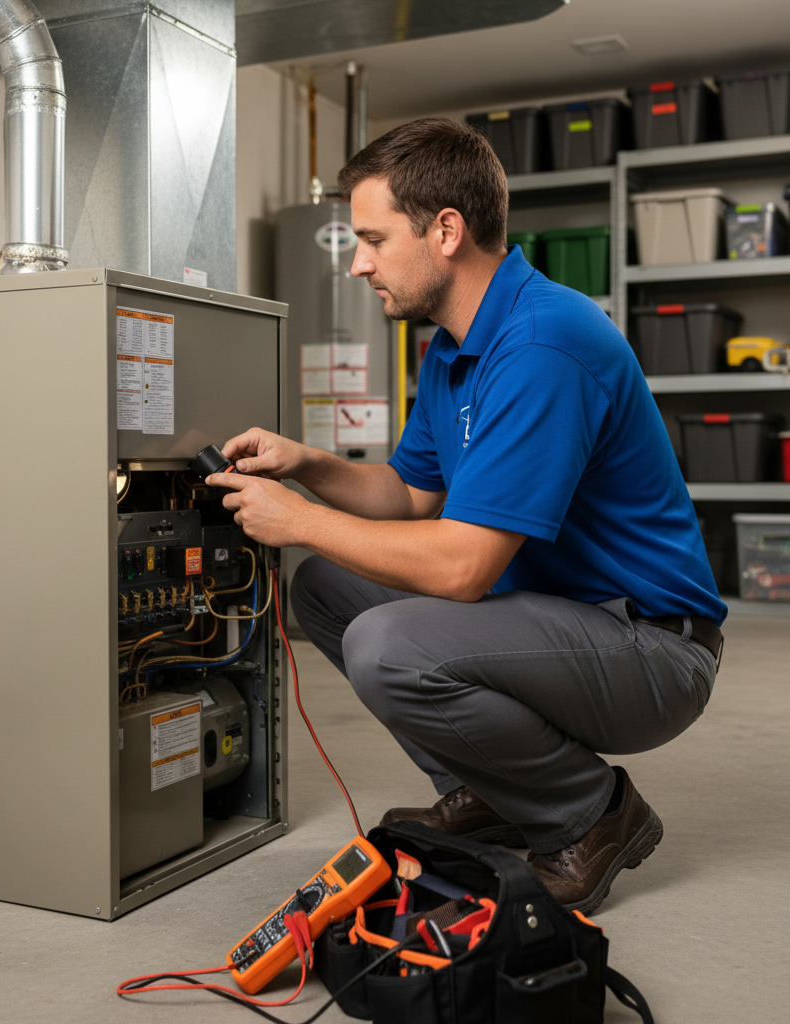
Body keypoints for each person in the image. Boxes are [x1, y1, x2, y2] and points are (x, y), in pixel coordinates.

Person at [206, 117, 725, 915]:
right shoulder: (453, 347)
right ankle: (487, 789)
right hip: (557, 616)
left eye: (374, 239)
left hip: (651, 647)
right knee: (327, 590)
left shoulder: (543, 342)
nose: (358, 262)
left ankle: (591, 814)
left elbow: (462, 568)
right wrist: (304, 465)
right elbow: (409, 494)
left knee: (387, 643)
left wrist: (298, 521)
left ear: (445, 231)